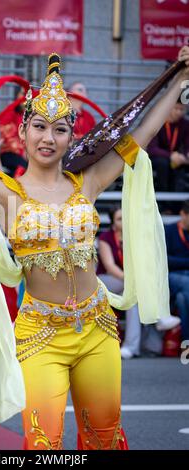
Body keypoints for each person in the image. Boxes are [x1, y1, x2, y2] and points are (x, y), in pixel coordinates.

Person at [0, 47, 189, 450]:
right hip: (41, 335)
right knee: (44, 443)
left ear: (71, 136)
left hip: (98, 329)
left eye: (60, 129)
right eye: (40, 126)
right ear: (23, 130)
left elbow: (143, 132)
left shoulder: (89, 181)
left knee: (104, 437)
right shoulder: (4, 192)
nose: (49, 138)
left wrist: (180, 78)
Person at [97, 206, 180, 359]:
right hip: (108, 281)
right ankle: (160, 316)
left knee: (133, 299)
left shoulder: (134, 237)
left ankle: (130, 347)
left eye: (125, 218)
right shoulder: (105, 238)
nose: (124, 222)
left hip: (130, 286)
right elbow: (109, 267)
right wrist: (134, 282)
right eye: (119, 219)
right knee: (135, 290)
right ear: (113, 222)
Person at [147, 99, 189, 192]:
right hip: (159, 157)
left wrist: (185, 156)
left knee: (180, 165)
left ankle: (178, 202)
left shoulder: (185, 124)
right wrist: (171, 155)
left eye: (181, 109)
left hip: (177, 158)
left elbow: (187, 145)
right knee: (163, 163)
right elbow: (152, 149)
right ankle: (164, 198)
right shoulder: (158, 122)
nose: (178, 112)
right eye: (176, 108)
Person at [165, 200, 189, 343]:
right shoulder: (169, 230)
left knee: (182, 298)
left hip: (183, 279)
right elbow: (165, 260)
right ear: (183, 214)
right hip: (172, 276)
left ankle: (186, 341)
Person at [0, 87, 28, 177]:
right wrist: (24, 152)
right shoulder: (10, 111)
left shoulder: (32, 113)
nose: (27, 96)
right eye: (23, 93)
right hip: (10, 152)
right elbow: (8, 137)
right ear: (16, 95)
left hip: (28, 153)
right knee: (23, 167)